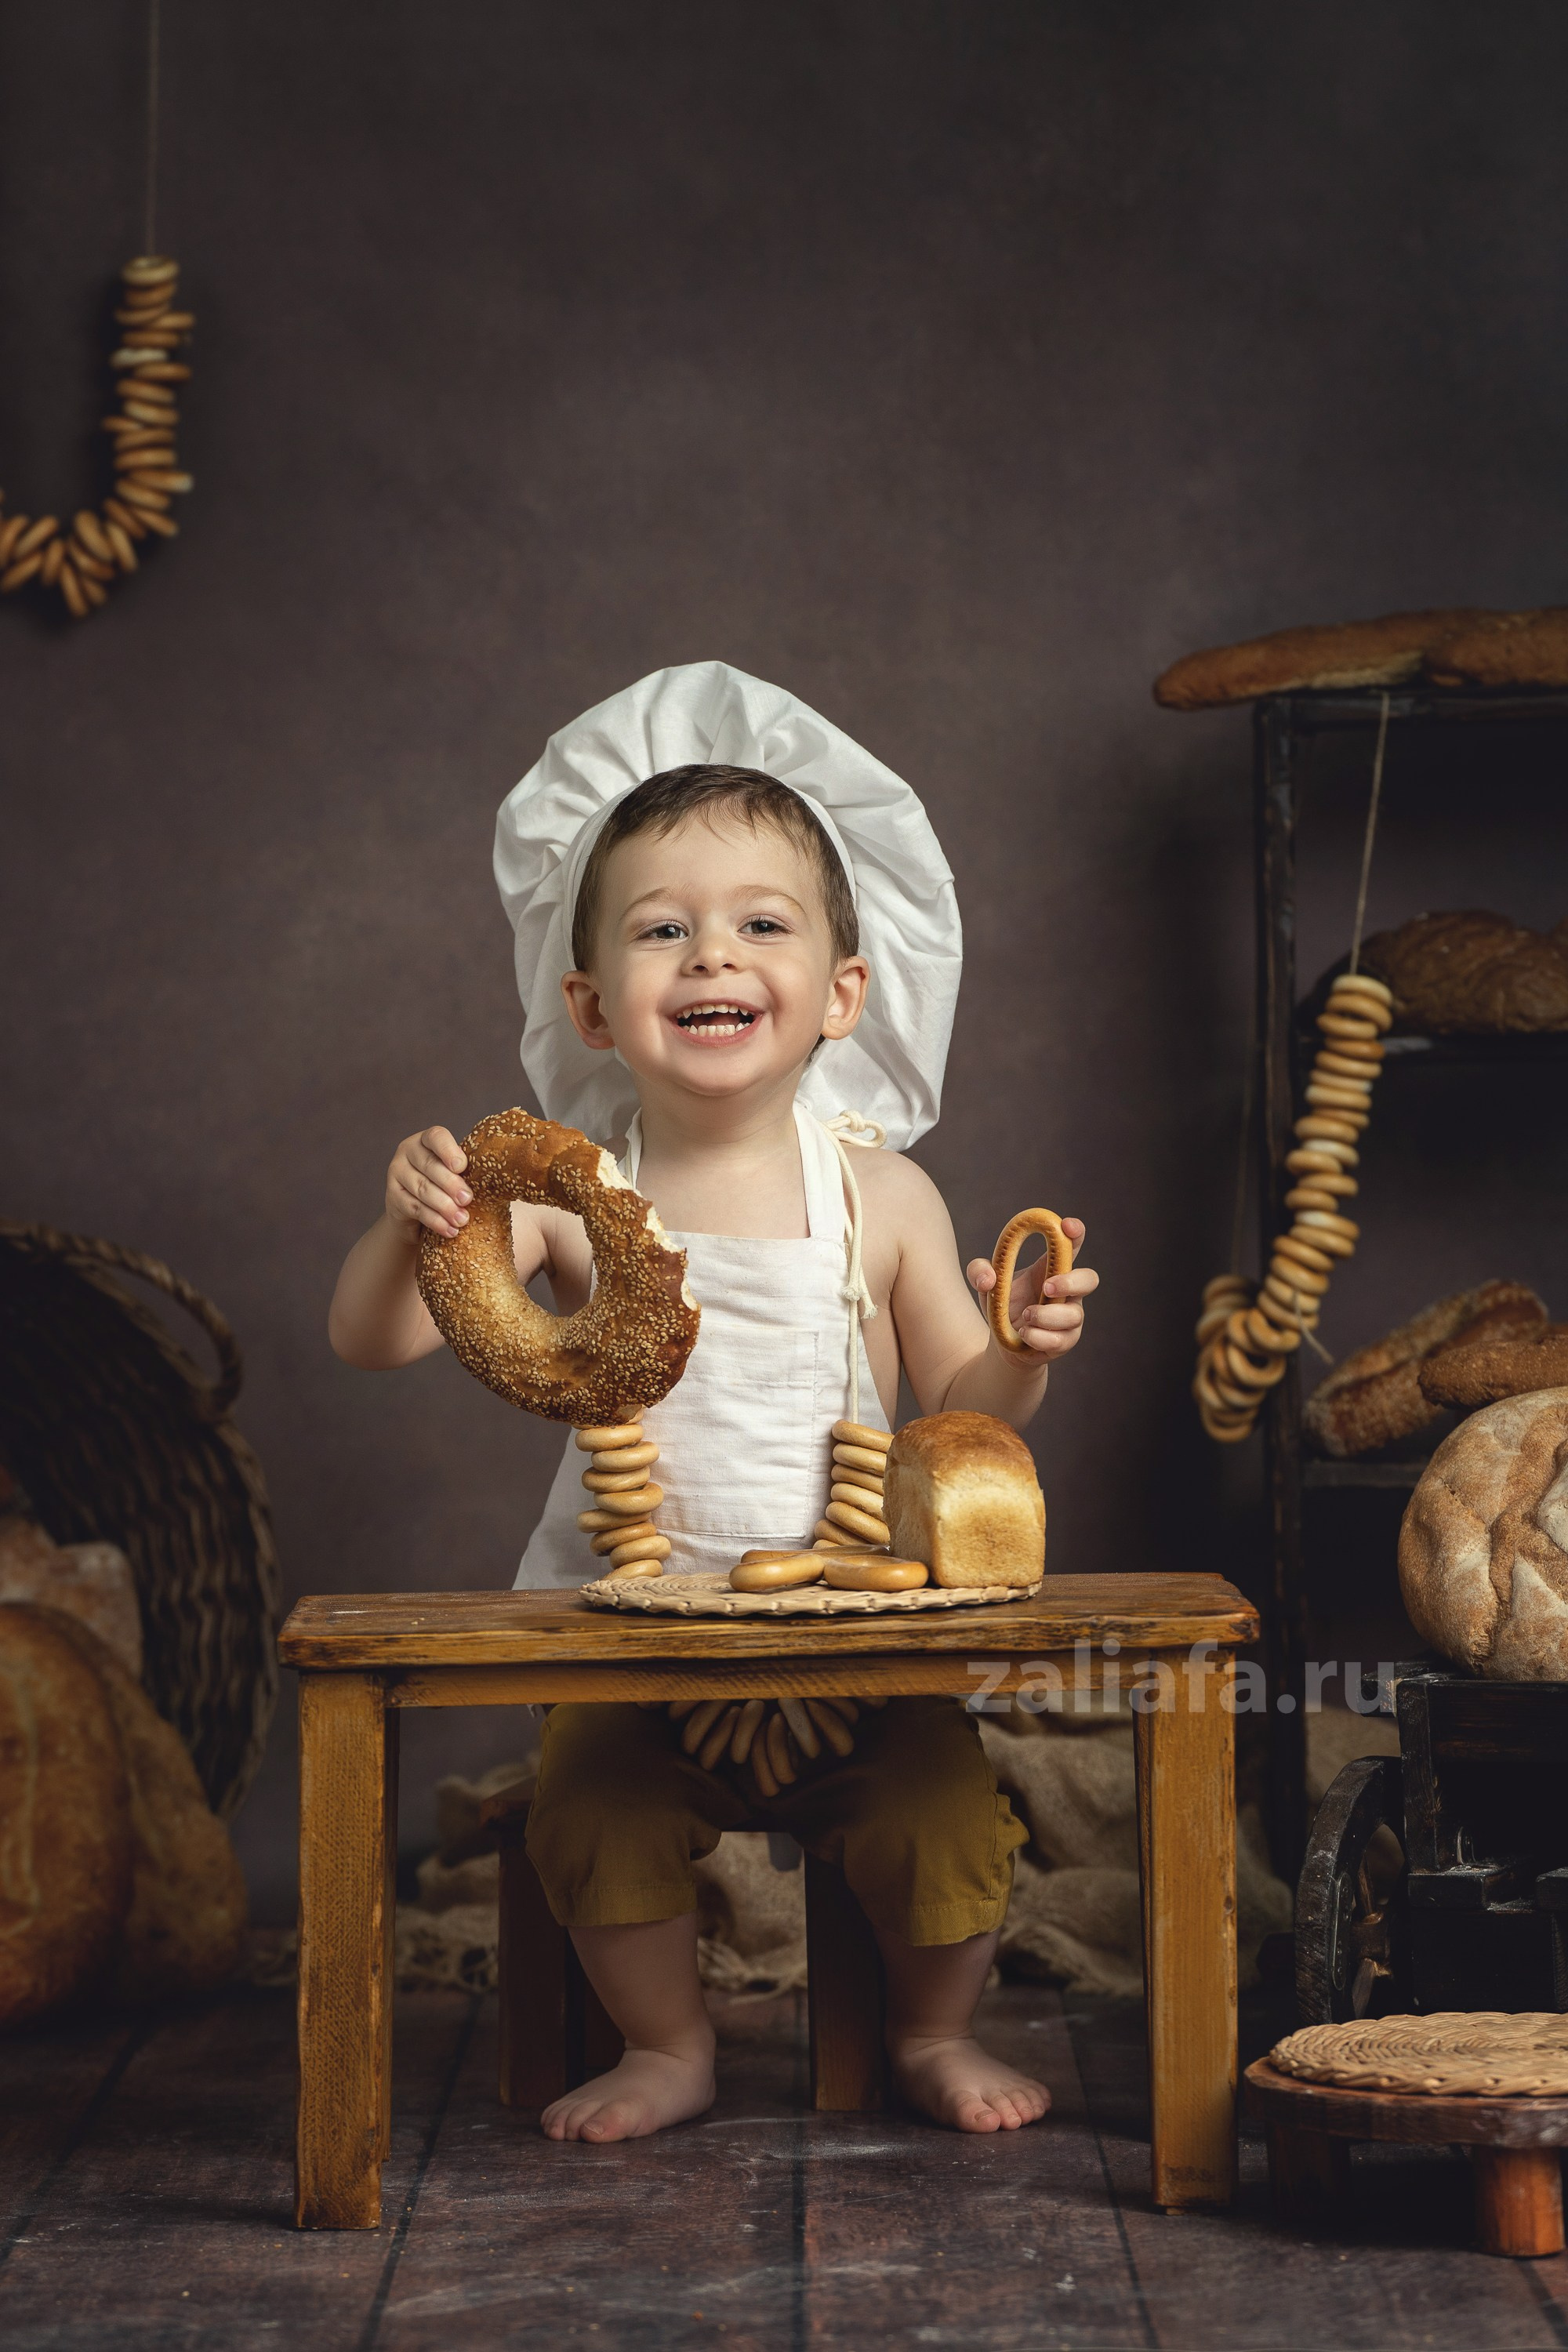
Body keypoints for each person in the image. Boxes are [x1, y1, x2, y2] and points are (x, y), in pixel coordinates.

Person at [329, 664, 1098, 2147]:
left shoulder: (882, 1197)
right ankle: (667, 2044)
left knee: (947, 1820)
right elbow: (376, 1340)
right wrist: (402, 1221)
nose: (711, 955)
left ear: (842, 994)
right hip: (632, 1649)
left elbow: (965, 1406)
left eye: (760, 924)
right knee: (590, 1820)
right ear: (591, 1005)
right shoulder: (566, 1199)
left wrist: (1026, 1345)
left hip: (854, 1647)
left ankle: (935, 2030)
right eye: (661, 929)